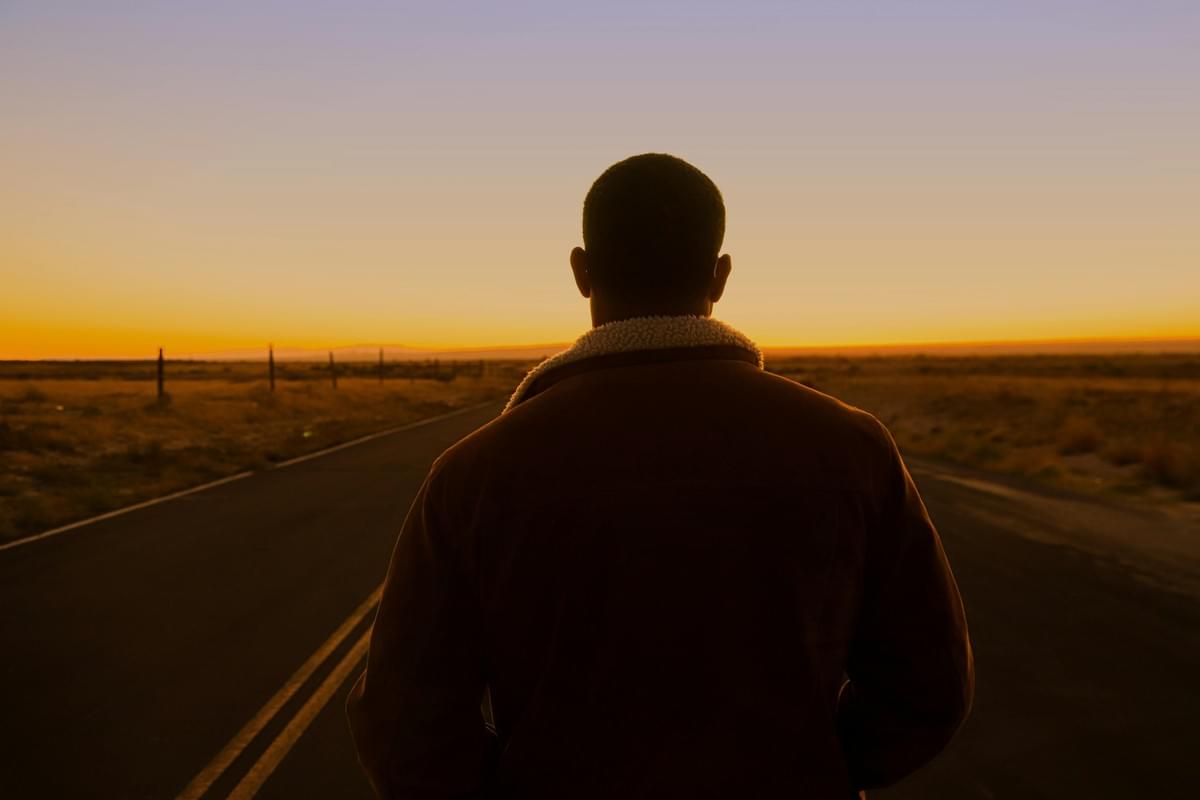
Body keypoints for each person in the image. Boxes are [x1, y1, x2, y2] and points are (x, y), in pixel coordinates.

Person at [346, 153, 974, 798]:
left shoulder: (476, 472)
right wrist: (815, 770)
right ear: (721, 275)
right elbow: (929, 687)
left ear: (582, 272)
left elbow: (402, 728)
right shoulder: (850, 447)